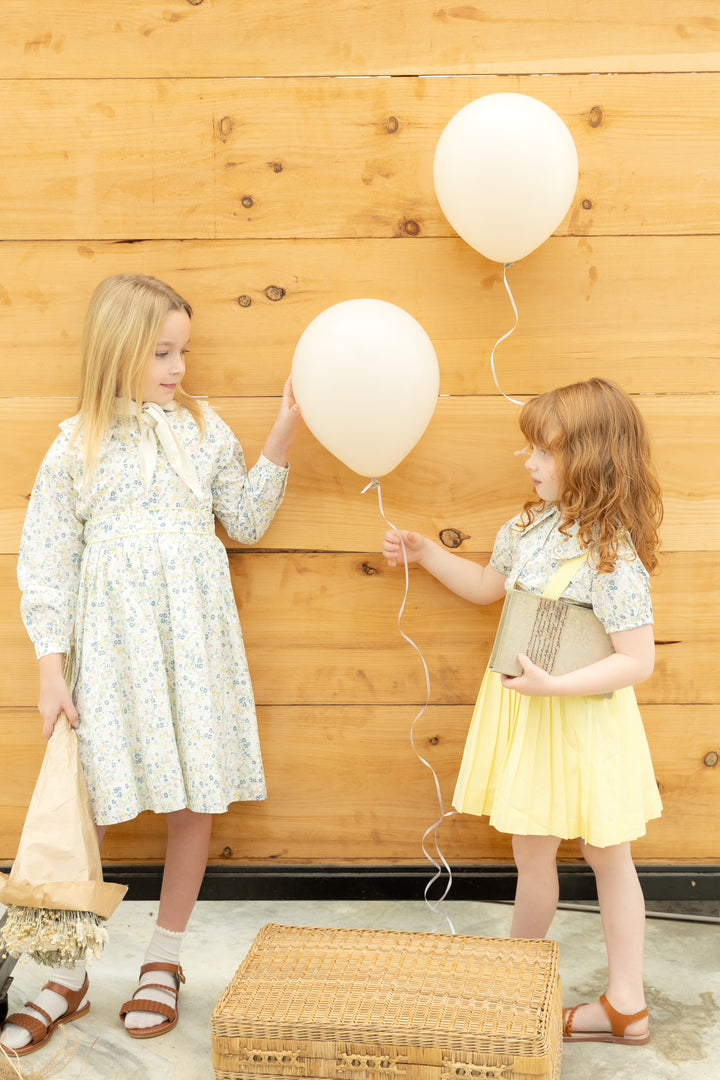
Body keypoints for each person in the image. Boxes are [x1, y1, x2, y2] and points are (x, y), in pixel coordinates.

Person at [1, 274, 302, 1054]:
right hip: (110, 646)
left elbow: (244, 517)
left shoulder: (202, 428)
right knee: (90, 799)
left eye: (183, 351)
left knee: (193, 793)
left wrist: (284, 431)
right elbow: (46, 560)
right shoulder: (78, 443)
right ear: (119, 351)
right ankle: (66, 972)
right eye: (161, 352)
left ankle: (163, 958)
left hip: (194, 642)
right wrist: (50, 665)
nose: (177, 368)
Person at [382, 378, 663, 1046]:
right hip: (529, 718)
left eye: (544, 450)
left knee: (608, 853)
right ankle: (516, 980)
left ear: (591, 457)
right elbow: (487, 588)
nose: (529, 462)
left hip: (584, 722)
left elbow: (637, 660)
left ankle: (627, 1001)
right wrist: (428, 555)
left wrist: (556, 688)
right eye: (530, 448)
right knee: (530, 853)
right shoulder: (527, 528)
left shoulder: (612, 552)